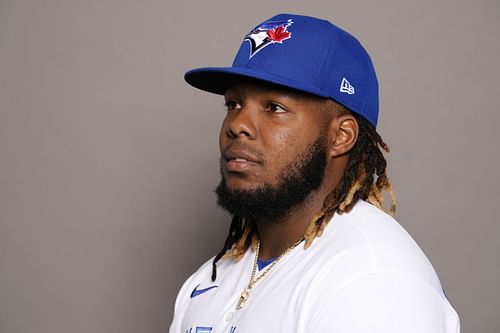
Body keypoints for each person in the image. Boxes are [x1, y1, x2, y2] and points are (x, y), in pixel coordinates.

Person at [170, 13, 460, 333]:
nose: (237, 125)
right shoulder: (213, 277)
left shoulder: (372, 279)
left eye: (274, 108)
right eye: (233, 104)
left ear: (340, 136)